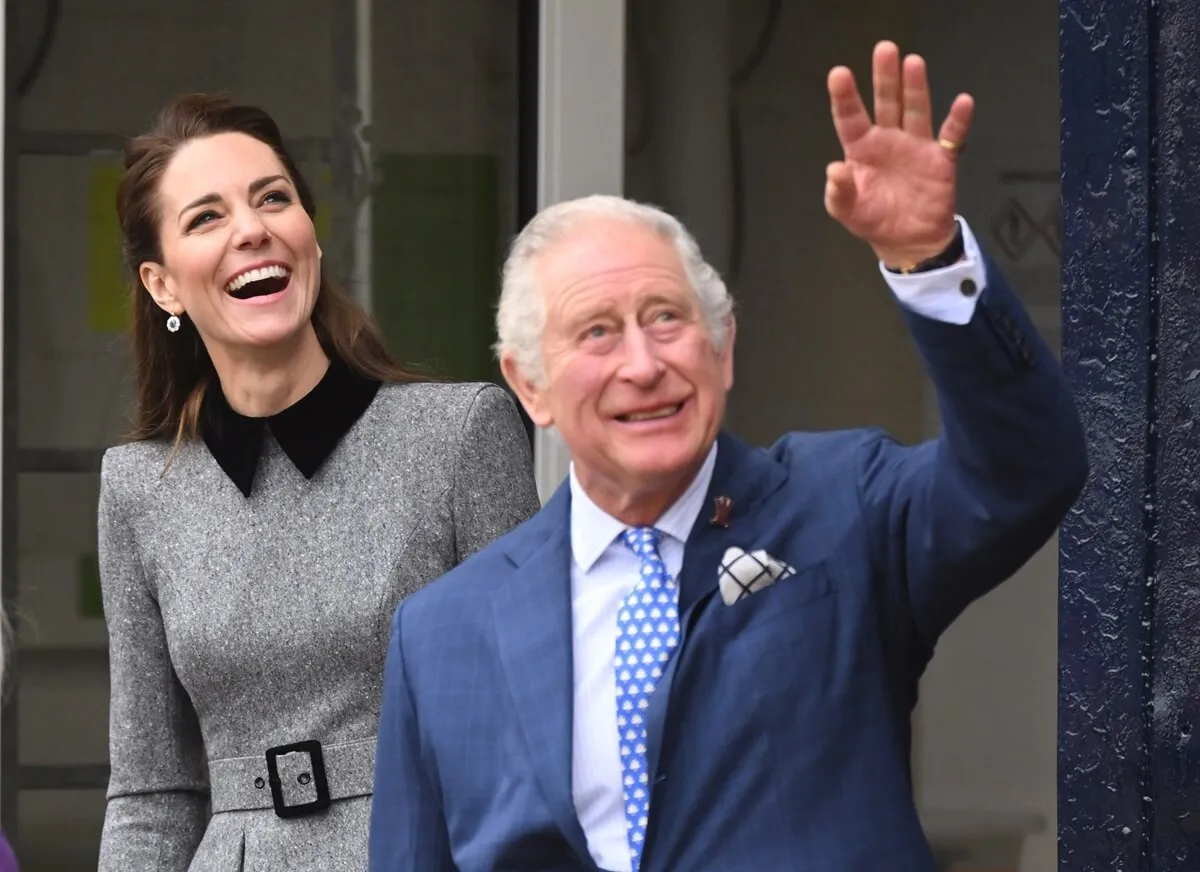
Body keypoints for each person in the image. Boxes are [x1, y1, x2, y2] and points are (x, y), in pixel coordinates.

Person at [368, 41, 1088, 871]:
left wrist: (929, 263)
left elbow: (1026, 471)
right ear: (528, 385)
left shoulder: (842, 506)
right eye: (597, 332)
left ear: (724, 349)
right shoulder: (443, 630)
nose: (644, 363)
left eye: (667, 318)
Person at [96, 93, 540, 871]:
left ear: (310, 234)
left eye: (273, 199)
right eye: (206, 217)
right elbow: (151, 794)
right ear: (163, 285)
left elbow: (532, 725)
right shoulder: (140, 489)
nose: (252, 229)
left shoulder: (459, 436)